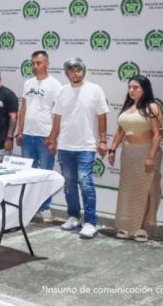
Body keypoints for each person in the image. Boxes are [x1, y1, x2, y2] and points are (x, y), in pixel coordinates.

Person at [45, 57, 109, 239]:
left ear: (83, 70)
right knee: (69, 184)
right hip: (65, 145)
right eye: (72, 70)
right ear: (67, 73)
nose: (76, 73)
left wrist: (103, 140)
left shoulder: (95, 89)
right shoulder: (62, 91)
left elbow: (102, 115)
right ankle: (74, 216)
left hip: (86, 145)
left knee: (85, 182)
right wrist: (52, 139)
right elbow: (57, 117)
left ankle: (90, 222)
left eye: (79, 69)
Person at [107, 75, 163, 242]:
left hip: (146, 152)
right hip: (128, 152)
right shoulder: (128, 106)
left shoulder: (153, 107)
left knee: (145, 190)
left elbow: (157, 134)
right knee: (127, 189)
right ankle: (127, 225)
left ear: (145, 89)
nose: (131, 90)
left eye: (136, 87)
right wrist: (112, 149)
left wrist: (151, 157)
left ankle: (140, 227)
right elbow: (120, 131)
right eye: (130, 87)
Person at [16, 50, 62, 222]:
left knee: (45, 173)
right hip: (27, 135)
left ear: (47, 63)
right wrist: (20, 131)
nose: (35, 66)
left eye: (39, 63)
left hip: (45, 136)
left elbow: (58, 113)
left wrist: (52, 137)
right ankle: (30, 208)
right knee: (28, 173)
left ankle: (45, 207)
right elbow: (23, 109)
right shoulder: (28, 83)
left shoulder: (55, 85)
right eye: (33, 63)